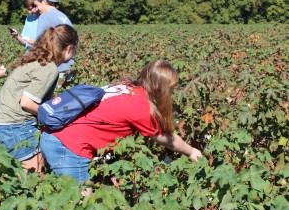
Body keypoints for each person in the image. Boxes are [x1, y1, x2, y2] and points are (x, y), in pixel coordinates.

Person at [40, 60, 203, 183]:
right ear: (160, 87)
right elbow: (166, 138)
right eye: (170, 89)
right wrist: (191, 151)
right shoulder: (140, 105)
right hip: (68, 148)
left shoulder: (126, 87)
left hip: (54, 137)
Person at [0, 24, 79, 172]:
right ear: (69, 48)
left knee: (9, 175)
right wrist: (53, 116)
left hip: (1, 122)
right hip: (16, 126)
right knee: (33, 179)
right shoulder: (49, 68)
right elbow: (26, 103)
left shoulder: (36, 60)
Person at [33, 0, 74, 73]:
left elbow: (40, 43)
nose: (36, 9)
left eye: (37, 5)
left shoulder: (45, 16)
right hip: (69, 64)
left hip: (55, 67)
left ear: (44, 2)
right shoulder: (63, 16)